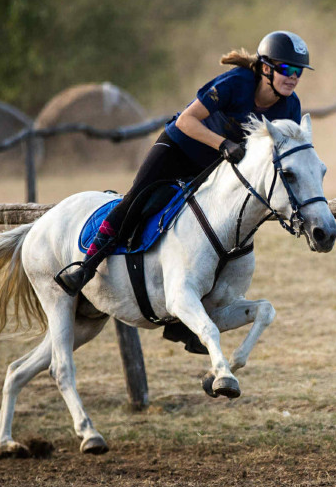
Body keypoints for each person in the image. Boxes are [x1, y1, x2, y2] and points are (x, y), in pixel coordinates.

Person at [56, 31, 314, 296]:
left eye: (299, 71)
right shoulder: (236, 83)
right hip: (179, 147)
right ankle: (86, 267)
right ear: (265, 67)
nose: (293, 76)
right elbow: (185, 121)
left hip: (214, 165)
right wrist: (223, 144)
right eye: (286, 68)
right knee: (135, 202)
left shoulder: (290, 108)